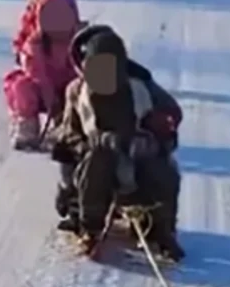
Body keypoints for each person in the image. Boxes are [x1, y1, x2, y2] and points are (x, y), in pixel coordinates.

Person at [51, 25, 184, 260]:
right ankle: (89, 228)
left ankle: (163, 230)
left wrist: (152, 138)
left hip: (137, 155)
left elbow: (171, 121)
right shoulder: (76, 92)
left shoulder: (142, 89)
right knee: (98, 161)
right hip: (96, 158)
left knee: (163, 171)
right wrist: (91, 144)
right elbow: (68, 134)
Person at [3, 0, 84, 150]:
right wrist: (50, 100)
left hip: (69, 87)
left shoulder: (80, 37)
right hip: (44, 85)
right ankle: (28, 126)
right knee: (21, 86)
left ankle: (73, 125)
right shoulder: (36, 40)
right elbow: (36, 71)